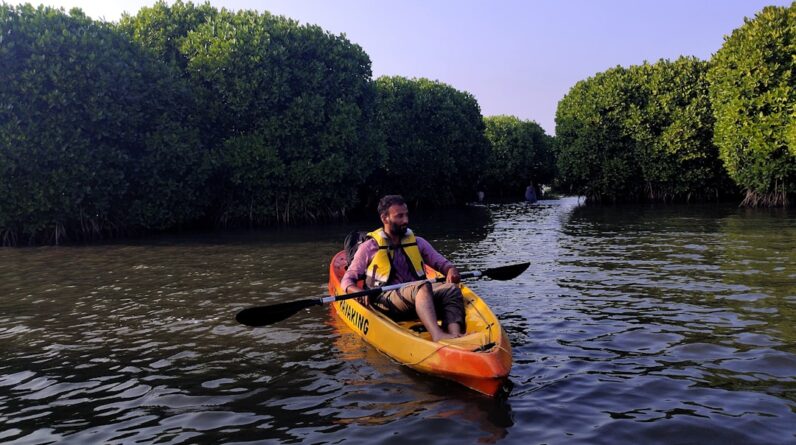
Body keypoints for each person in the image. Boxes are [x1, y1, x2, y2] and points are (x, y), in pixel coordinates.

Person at [341, 195, 465, 341]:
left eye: (406, 215)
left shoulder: (418, 242)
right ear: (384, 218)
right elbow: (347, 281)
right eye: (399, 216)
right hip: (385, 300)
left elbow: (443, 264)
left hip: (419, 297)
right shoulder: (370, 247)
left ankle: (455, 334)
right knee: (422, 287)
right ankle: (437, 335)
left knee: (452, 289)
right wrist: (358, 291)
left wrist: (451, 270)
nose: (405, 220)